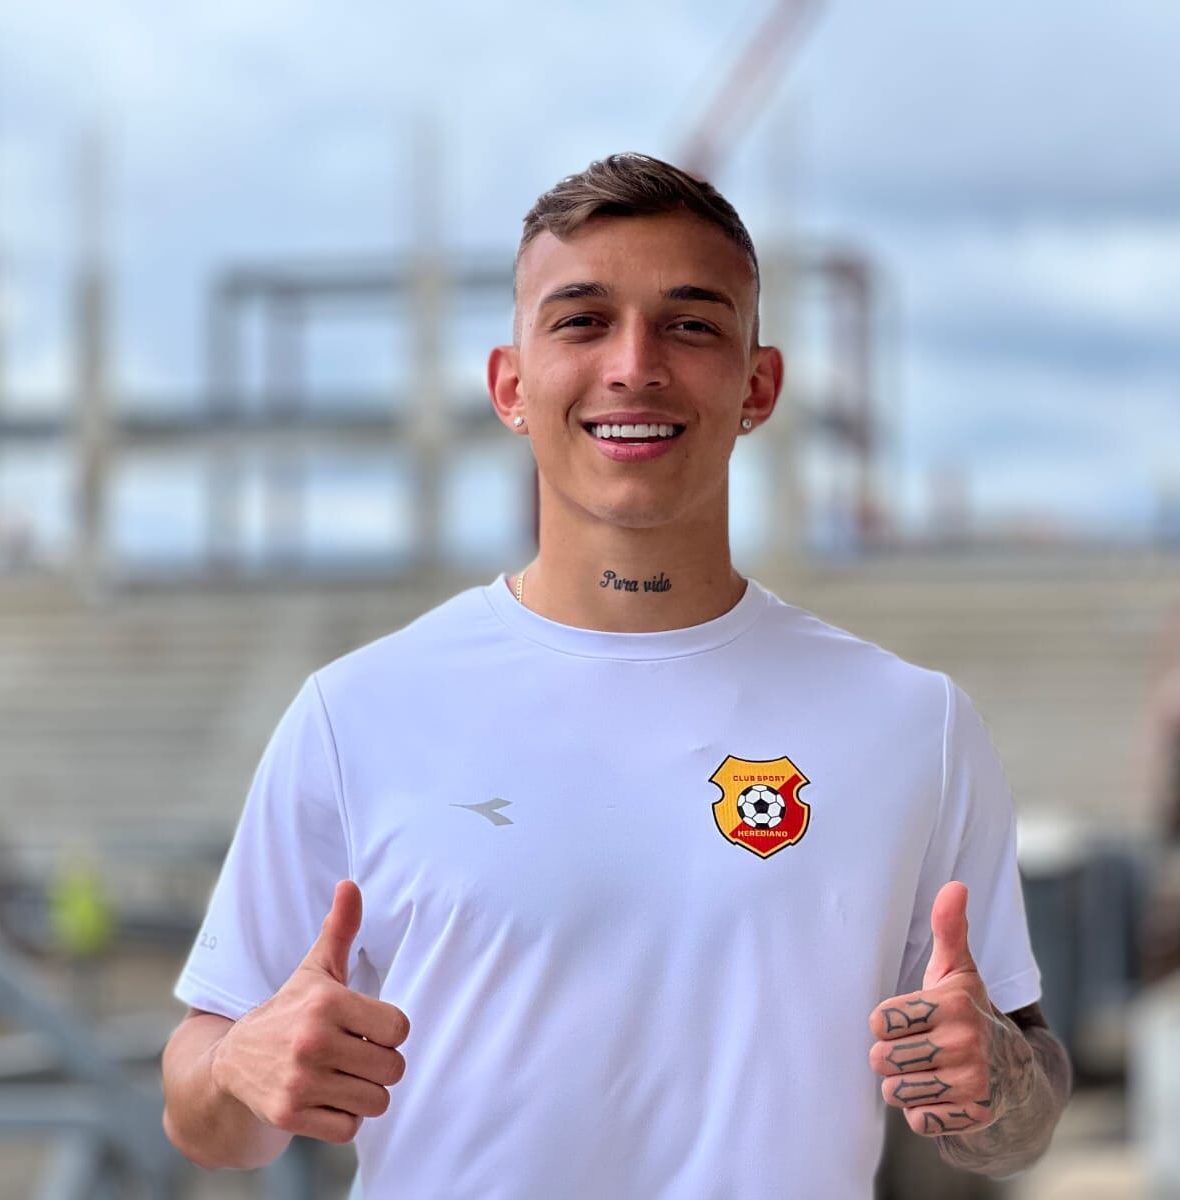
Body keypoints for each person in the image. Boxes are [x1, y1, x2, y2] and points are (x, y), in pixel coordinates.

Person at [160, 151, 1072, 1197]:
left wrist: (994, 1082)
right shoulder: (355, 714)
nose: (634, 365)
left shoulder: (912, 724)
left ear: (758, 386)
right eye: (582, 321)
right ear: (510, 385)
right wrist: (238, 1068)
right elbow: (202, 1110)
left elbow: (1023, 1105)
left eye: (690, 325)